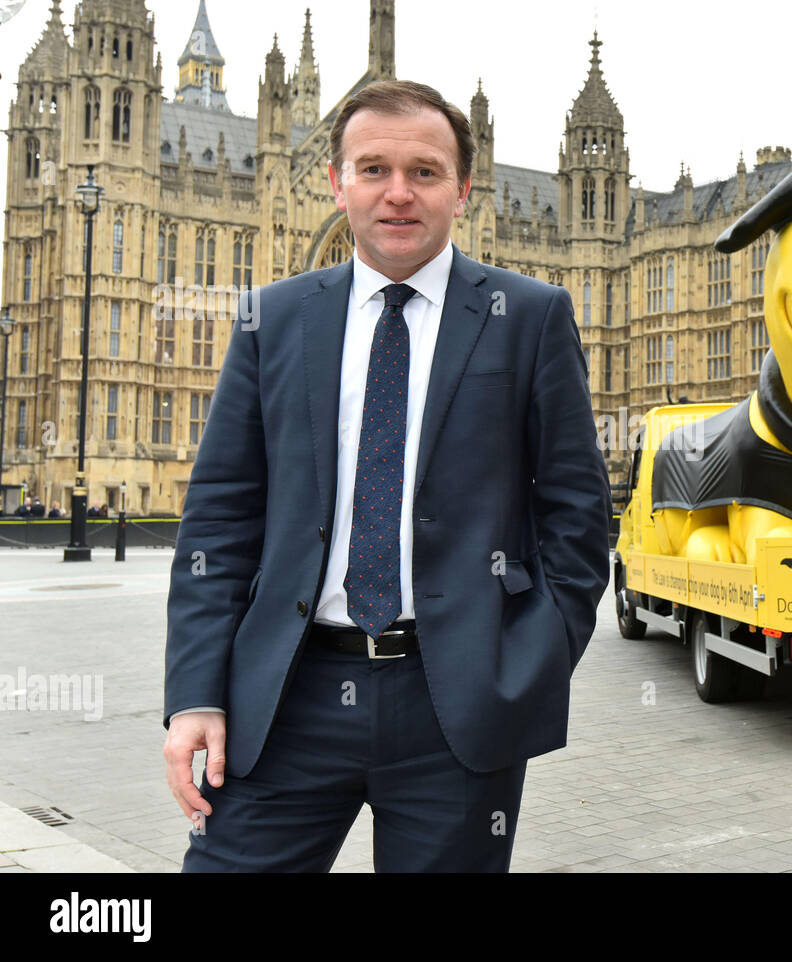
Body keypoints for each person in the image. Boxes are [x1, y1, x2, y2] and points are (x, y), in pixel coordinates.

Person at [163, 80, 611, 873]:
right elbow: (221, 520)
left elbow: (578, 515)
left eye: (425, 172)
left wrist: (529, 659)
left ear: (466, 189)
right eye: (372, 169)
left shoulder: (531, 315)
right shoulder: (273, 317)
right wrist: (197, 692)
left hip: (458, 704)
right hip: (287, 697)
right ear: (336, 182)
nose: (397, 193)